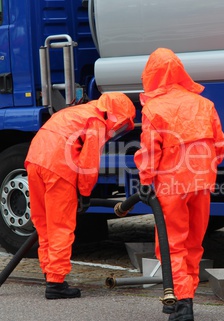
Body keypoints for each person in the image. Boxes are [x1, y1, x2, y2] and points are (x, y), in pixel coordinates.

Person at [134, 48, 224, 321]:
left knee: (171, 244)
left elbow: (150, 151)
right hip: (202, 181)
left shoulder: (154, 108)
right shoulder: (204, 104)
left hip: (171, 185)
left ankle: (181, 300)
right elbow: (219, 146)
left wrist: (146, 181)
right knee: (194, 243)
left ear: (151, 75)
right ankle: (181, 296)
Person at [25, 92, 136, 299]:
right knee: (60, 226)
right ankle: (56, 284)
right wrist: (84, 193)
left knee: (44, 224)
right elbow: (88, 164)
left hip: (34, 161)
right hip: (58, 167)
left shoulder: (77, 112)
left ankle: (49, 273)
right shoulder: (97, 122)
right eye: (122, 124)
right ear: (116, 115)